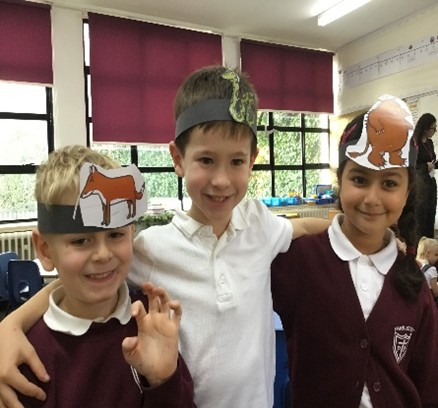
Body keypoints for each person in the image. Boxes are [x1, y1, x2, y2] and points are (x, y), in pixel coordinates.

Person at [0, 66, 330, 408]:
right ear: (178, 159)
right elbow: (80, 277)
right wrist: (11, 324)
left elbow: (303, 227)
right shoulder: (151, 249)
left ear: (252, 162)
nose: (221, 180)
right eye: (206, 160)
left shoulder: (260, 224)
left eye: (236, 161)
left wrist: (355, 228)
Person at [271, 95, 438, 407]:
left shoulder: (413, 282)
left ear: (407, 192)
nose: (372, 199)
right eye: (360, 179)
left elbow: (428, 382)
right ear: (340, 181)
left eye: (389, 184)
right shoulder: (298, 262)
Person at [11, 145, 195, 408]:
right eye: (81, 240)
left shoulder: (149, 322)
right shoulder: (26, 353)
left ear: (131, 234)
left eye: (115, 235)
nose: (102, 254)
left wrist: (163, 380)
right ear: (45, 249)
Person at [413, 112, 438, 240]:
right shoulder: (413, 143)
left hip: (430, 182)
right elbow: (410, 165)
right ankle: (419, 246)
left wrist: (434, 165)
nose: (435, 131)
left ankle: (429, 244)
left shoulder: (429, 143)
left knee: (430, 214)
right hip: (419, 185)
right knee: (420, 217)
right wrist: (424, 167)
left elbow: (432, 161)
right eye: (433, 128)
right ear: (425, 128)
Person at [416, 236, 438, 306]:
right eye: (436, 254)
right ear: (428, 253)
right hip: (427, 303)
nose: (437, 258)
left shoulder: (414, 264)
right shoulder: (431, 269)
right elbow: (436, 292)